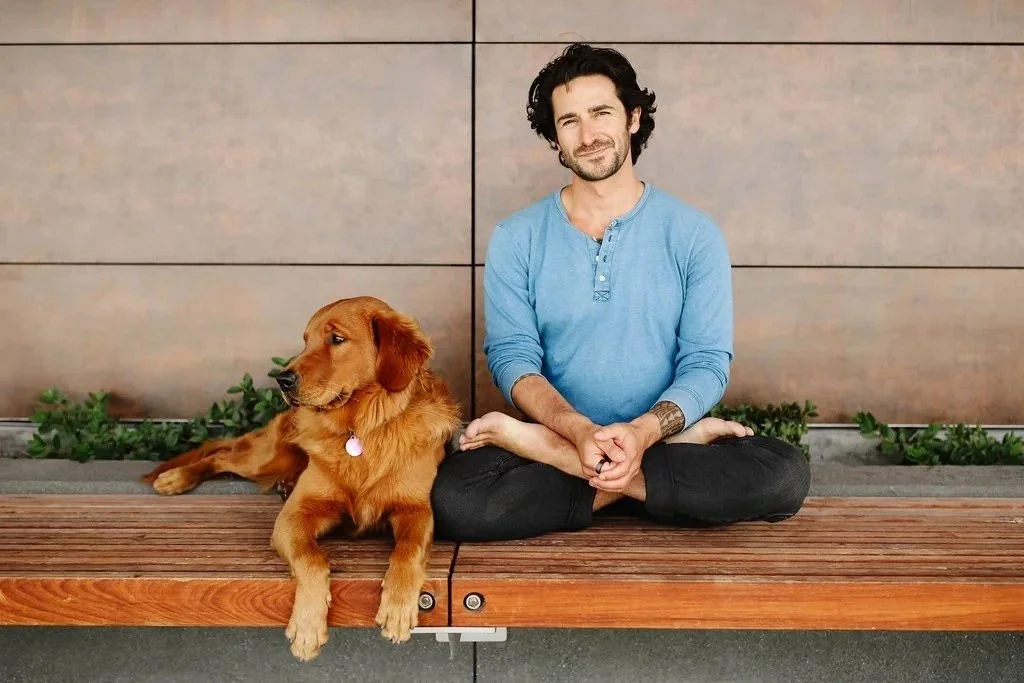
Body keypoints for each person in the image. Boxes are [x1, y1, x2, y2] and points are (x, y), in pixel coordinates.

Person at [431, 43, 810, 541]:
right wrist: (578, 433)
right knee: (455, 499)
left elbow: (706, 361)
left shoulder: (693, 234)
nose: (588, 135)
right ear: (556, 141)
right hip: (593, 436)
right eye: (569, 121)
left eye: (601, 113)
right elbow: (513, 358)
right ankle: (640, 481)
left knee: (785, 473)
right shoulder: (516, 238)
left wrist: (642, 434)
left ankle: (569, 466)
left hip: (651, 438)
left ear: (632, 118)